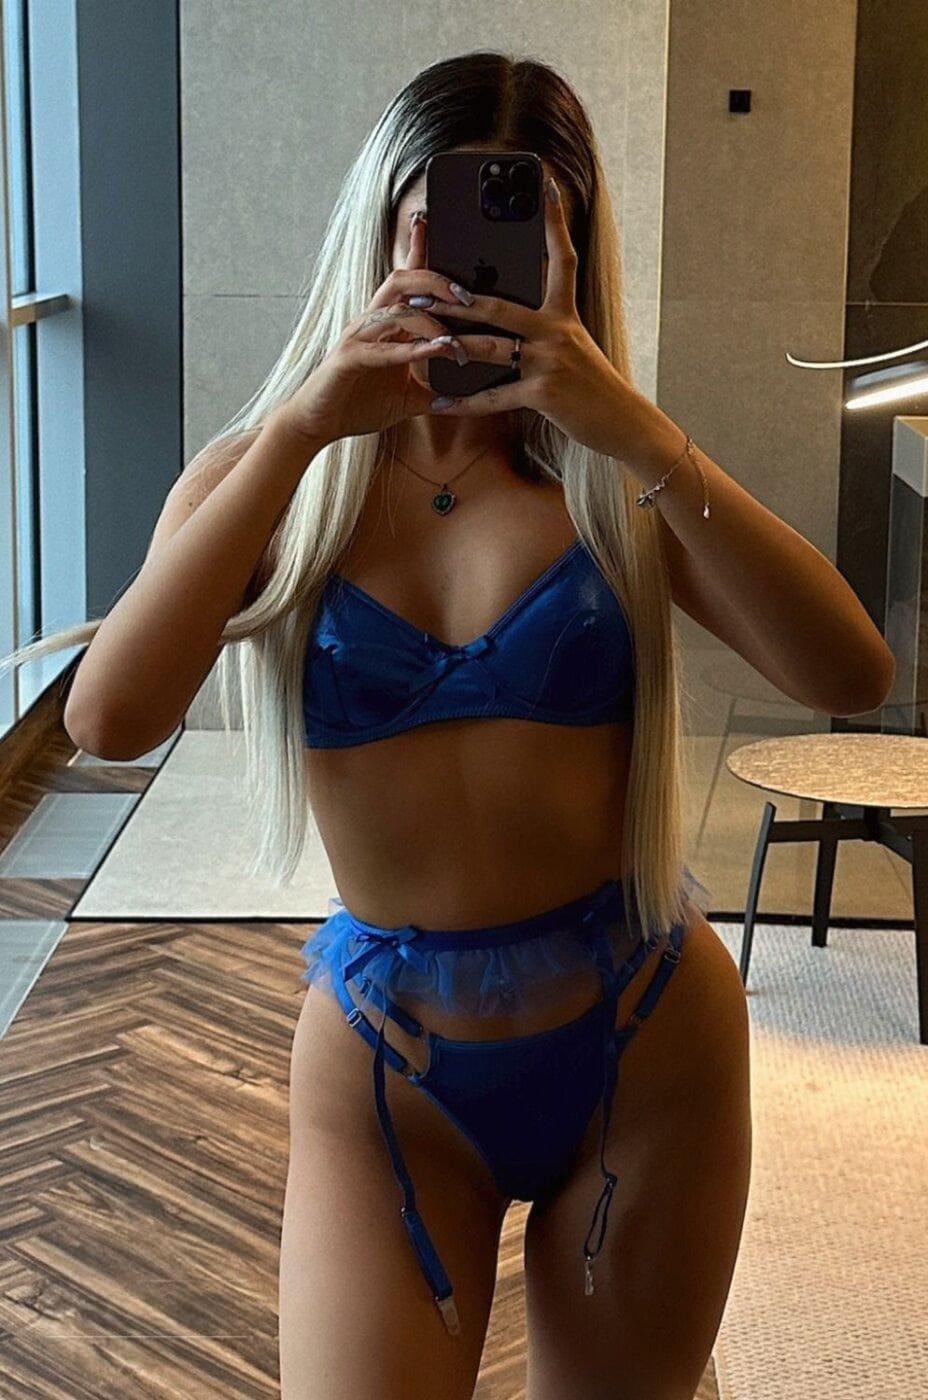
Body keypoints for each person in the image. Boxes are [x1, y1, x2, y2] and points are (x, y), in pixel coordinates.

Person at [3, 50, 894, 1400]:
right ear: (380, 233)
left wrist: (632, 428)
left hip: (646, 1040)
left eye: (520, 241)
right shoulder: (275, 480)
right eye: (433, 230)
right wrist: (305, 427)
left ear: (572, 259)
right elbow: (110, 718)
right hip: (391, 1068)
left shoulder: (617, 483)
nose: (469, 274)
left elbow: (852, 671)